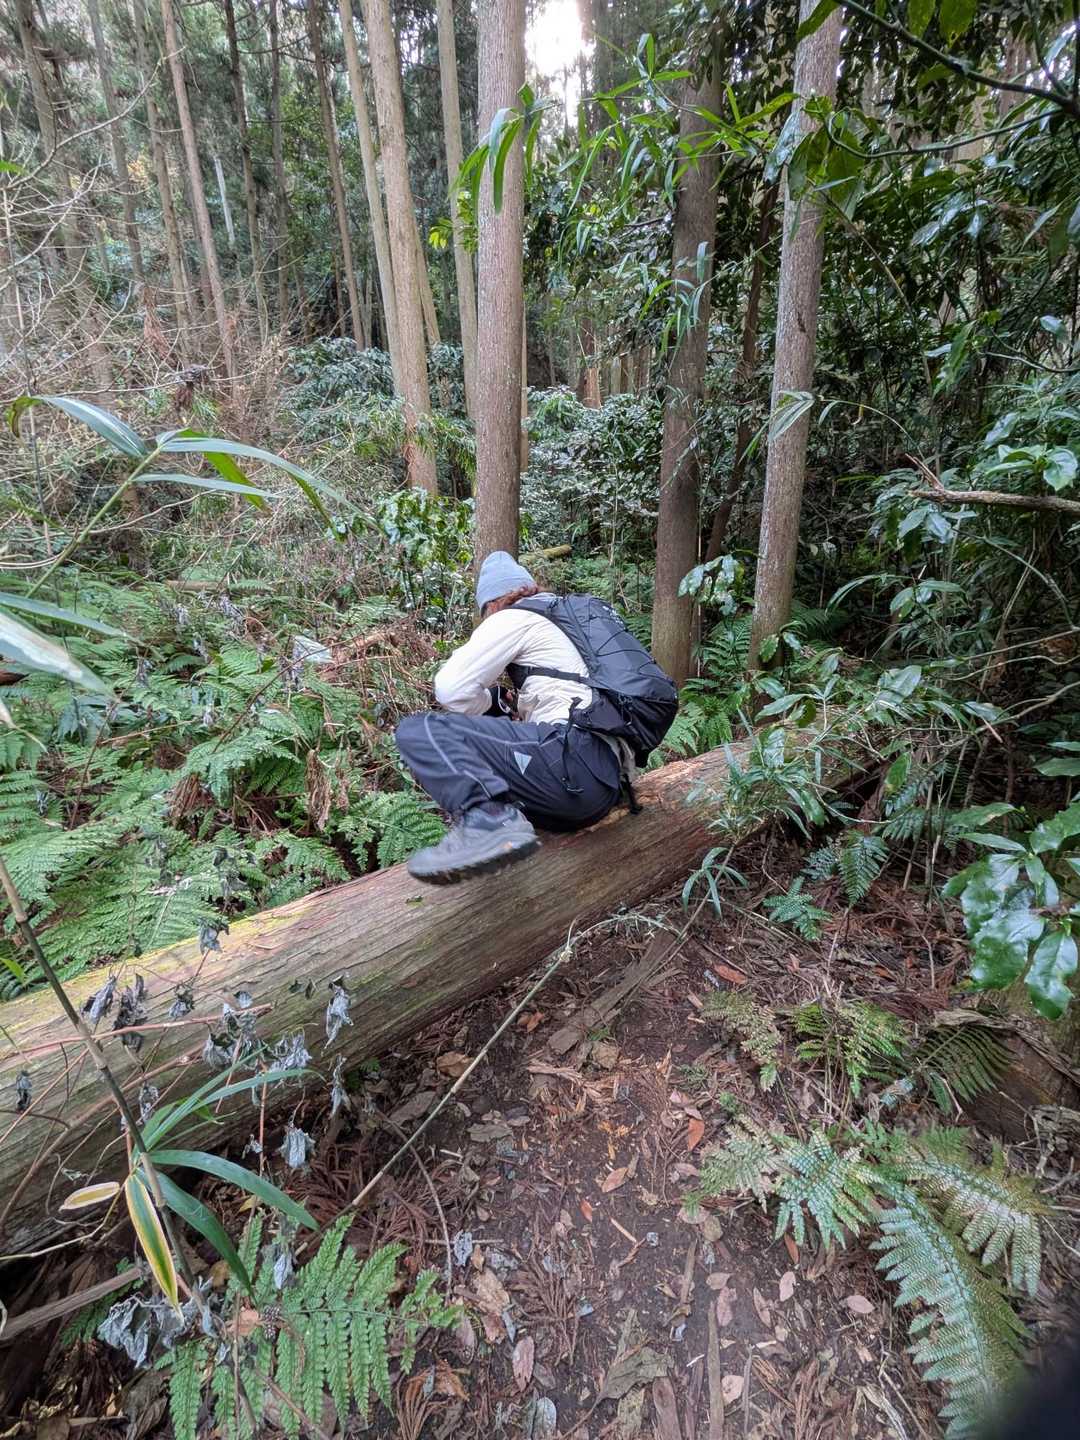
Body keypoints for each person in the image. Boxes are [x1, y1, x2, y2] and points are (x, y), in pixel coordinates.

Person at [394, 551, 676, 884]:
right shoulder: (565, 624)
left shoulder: (514, 617)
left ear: (492, 605)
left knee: (420, 731)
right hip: (605, 783)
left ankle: (489, 821)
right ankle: (497, 828)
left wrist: (490, 703)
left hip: (574, 763)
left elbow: (451, 690)